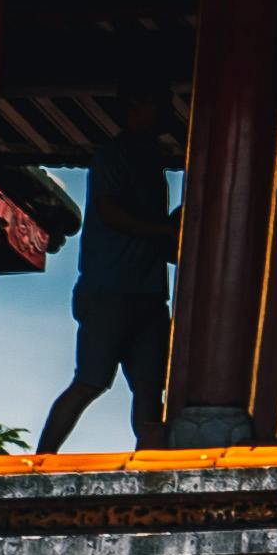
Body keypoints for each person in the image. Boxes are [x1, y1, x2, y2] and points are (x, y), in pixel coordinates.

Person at [37, 155, 172, 455]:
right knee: (90, 380)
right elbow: (111, 213)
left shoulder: (151, 164)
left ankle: (150, 460)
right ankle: (42, 458)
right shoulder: (112, 161)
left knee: (149, 388)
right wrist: (164, 230)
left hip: (148, 295)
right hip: (108, 291)